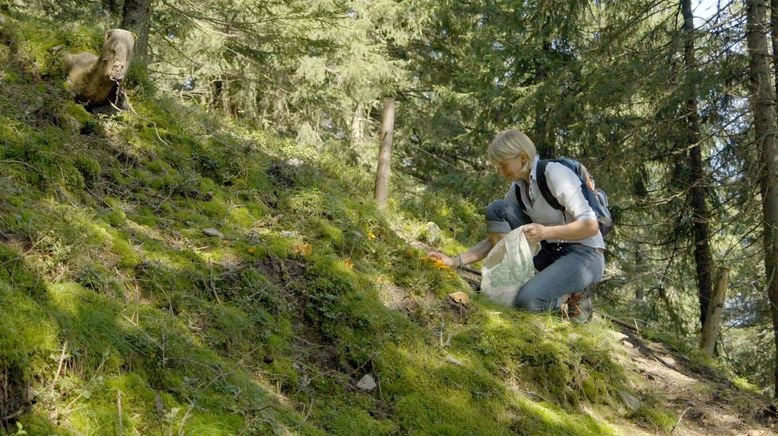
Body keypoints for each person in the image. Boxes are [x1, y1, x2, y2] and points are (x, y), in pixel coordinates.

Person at [427, 129, 605, 322]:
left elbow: (590, 226)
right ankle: (507, 282)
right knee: (497, 209)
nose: (500, 171)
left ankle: (571, 297)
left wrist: (545, 232)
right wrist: (455, 261)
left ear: (522, 157)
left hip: (585, 254)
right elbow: (496, 238)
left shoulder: (555, 173)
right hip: (548, 251)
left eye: (503, 165)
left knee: (527, 303)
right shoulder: (519, 187)